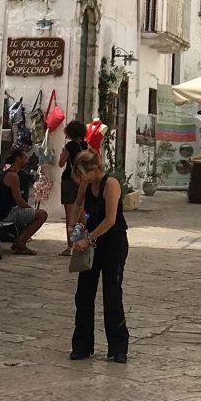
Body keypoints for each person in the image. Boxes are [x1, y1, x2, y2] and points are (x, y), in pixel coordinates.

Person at [70, 149, 130, 363]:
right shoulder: (86, 184)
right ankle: (82, 345)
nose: (80, 178)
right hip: (91, 243)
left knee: (112, 294)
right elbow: (78, 204)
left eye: (82, 173)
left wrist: (88, 238)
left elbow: (110, 220)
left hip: (113, 243)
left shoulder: (110, 184)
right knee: (84, 294)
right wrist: (74, 229)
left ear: (93, 169)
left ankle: (118, 347)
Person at [0, 146, 48, 255]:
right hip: (7, 213)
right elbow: (19, 201)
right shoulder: (13, 176)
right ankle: (21, 244)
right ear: (18, 159)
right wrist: (31, 209)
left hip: (6, 210)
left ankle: (19, 241)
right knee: (42, 215)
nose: (27, 160)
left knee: (35, 214)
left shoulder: (11, 173)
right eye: (25, 157)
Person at [57, 119, 87, 255]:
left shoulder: (69, 146)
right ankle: (81, 244)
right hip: (82, 181)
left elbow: (61, 163)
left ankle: (70, 246)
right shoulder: (85, 145)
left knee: (70, 215)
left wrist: (63, 154)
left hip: (69, 181)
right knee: (81, 215)